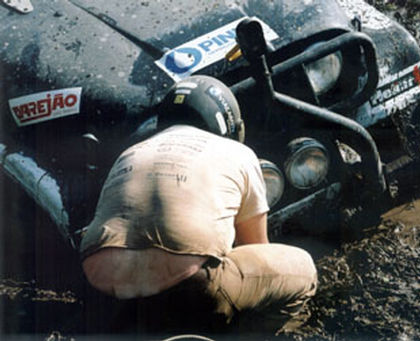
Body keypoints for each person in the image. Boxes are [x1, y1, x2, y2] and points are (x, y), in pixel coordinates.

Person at [79, 75, 317, 333]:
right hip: (189, 287)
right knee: (302, 269)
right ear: (228, 123)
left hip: (105, 290)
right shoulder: (239, 153)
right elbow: (257, 247)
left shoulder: (130, 153)